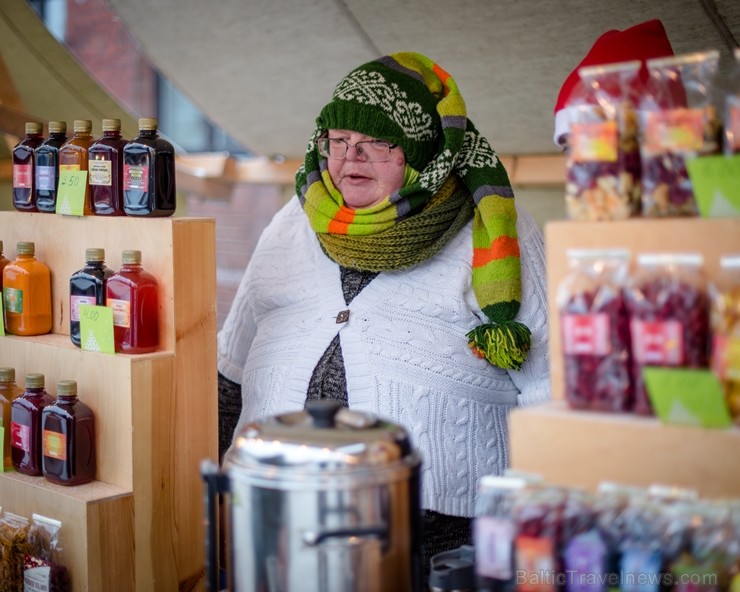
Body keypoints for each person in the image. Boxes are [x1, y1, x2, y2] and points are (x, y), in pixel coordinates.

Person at [217, 51, 550, 580]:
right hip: (274, 514)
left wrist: (532, 538)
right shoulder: (292, 222)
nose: (352, 158)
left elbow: (551, 393)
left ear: (422, 153)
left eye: (378, 142)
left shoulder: (495, 232)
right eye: (340, 140)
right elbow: (229, 371)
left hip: (441, 543)